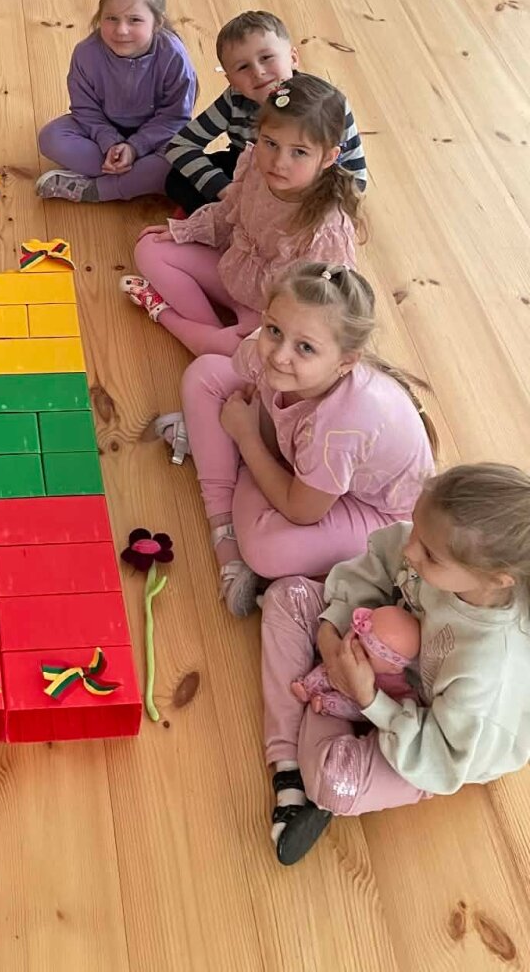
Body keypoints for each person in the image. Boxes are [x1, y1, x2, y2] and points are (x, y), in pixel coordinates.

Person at [262, 464, 530, 866]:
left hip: (433, 741)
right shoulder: (430, 544)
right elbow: (378, 566)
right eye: (415, 528)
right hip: (386, 652)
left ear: (496, 580)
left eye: (429, 554)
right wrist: (331, 636)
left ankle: (319, 724)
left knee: (334, 782)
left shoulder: (491, 670)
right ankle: (288, 766)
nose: (410, 550)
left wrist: (367, 698)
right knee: (288, 596)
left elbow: (440, 756)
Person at [157, 262, 436, 616]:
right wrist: (253, 427)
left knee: (266, 551)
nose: (279, 355)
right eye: (274, 330)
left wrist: (245, 438)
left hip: (376, 512)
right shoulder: (270, 353)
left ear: (345, 362)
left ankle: (224, 463)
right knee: (204, 373)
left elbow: (300, 511)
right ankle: (224, 524)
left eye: (305, 347)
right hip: (306, 460)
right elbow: (249, 386)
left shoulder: (341, 426)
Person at [124, 73, 360, 356]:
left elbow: (321, 304)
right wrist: (185, 231)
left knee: (242, 354)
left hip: (274, 313)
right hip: (233, 273)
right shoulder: (256, 167)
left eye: (299, 152)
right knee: (149, 248)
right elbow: (229, 211)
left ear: (328, 157)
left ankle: (174, 321)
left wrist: (274, 325)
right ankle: (212, 333)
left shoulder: (328, 228)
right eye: (270, 143)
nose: (279, 162)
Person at [163, 10, 366, 215]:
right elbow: (181, 145)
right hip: (248, 171)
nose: (258, 72)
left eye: (267, 57)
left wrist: (322, 211)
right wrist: (225, 190)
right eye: (243, 67)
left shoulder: (327, 103)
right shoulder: (234, 99)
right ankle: (234, 217)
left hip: (302, 183)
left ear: (293, 58)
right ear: (231, 81)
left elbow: (355, 172)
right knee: (176, 180)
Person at [35, 0, 197, 203]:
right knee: (50, 138)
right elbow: (85, 110)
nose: (121, 30)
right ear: (99, 17)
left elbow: (175, 117)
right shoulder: (85, 53)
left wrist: (135, 147)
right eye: (111, 18)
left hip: (157, 135)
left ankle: (97, 190)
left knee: (178, 160)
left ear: (157, 23)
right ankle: (134, 179)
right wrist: (111, 142)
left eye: (135, 20)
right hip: (102, 132)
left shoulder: (174, 57)